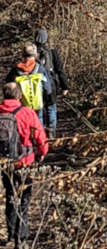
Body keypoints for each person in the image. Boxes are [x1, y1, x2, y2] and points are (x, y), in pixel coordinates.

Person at [0, 82, 47, 249]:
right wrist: (41, 152)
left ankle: (11, 235)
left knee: (10, 196)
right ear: (20, 96)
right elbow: (40, 136)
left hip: (6, 163)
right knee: (24, 200)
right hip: (25, 161)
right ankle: (21, 239)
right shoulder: (27, 113)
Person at [5, 45, 51, 127]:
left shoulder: (15, 70)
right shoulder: (41, 69)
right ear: (35, 55)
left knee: (23, 124)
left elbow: (8, 86)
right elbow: (48, 90)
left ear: (22, 55)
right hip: (37, 103)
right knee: (38, 122)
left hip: (21, 104)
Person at [34, 30, 68, 138]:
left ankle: (40, 135)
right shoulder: (52, 52)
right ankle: (51, 134)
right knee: (51, 108)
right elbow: (59, 70)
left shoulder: (32, 52)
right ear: (46, 39)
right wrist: (64, 86)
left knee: (38, 110)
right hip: (51, 84)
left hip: (35, 85)